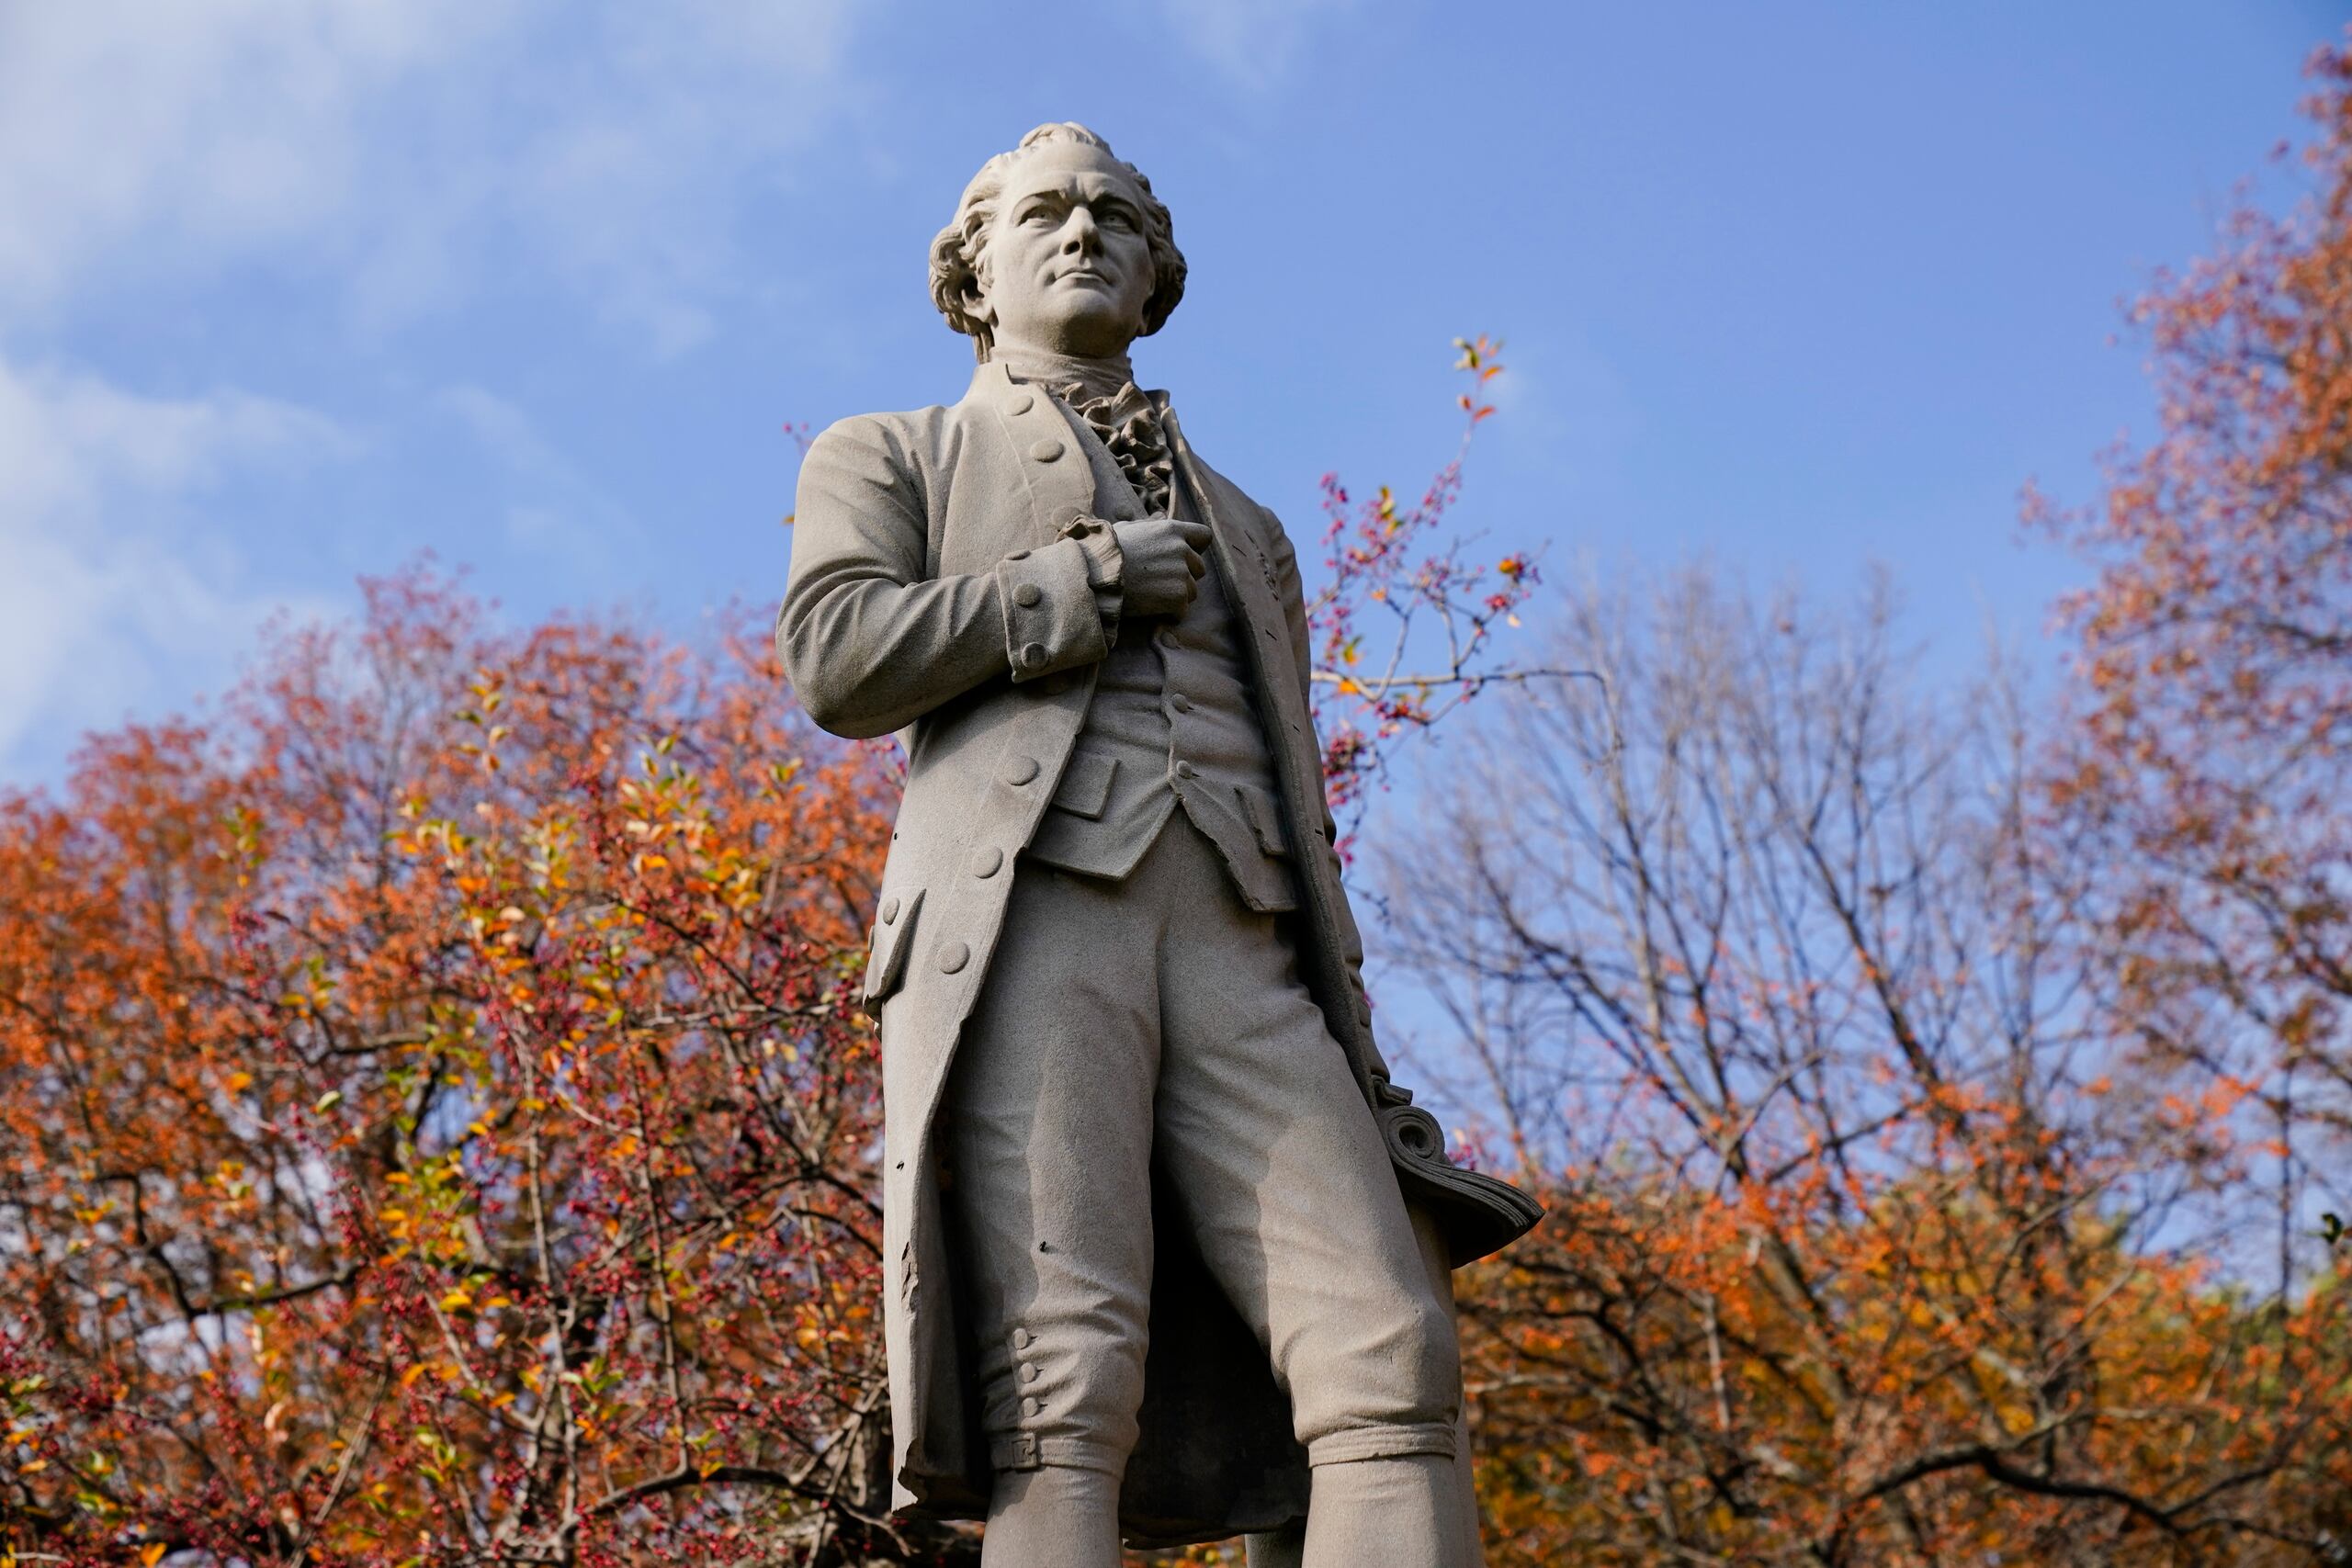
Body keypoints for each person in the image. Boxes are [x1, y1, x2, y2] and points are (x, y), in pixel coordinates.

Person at [778, 122, 1534, 1568]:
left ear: (1156, 273)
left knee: (1391, 1348)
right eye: (1047, 214)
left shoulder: (1250, 527)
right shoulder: (894, 452)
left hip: (1249, 949)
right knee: (1060, 1377)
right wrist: (1077, 583)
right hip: (1038, 920)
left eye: (1119, 217)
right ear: (973, 275)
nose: (1085, 233)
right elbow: (833, 654)